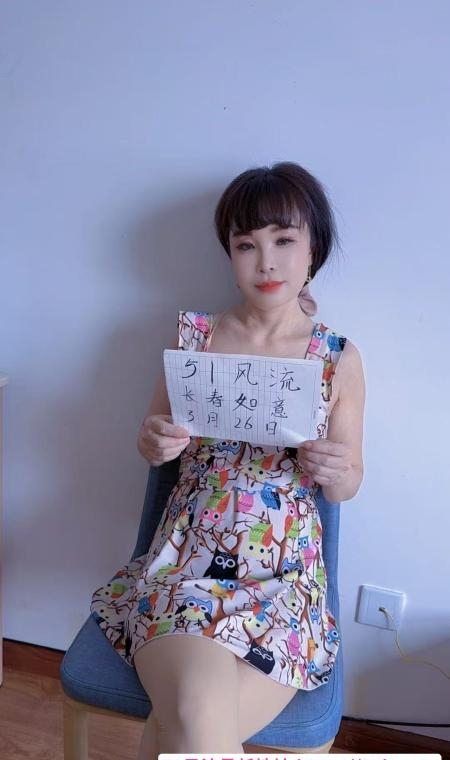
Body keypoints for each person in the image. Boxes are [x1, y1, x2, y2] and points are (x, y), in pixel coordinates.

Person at [91, 161, 365, 758]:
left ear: (313, 248)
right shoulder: (195, 341)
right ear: (230, 254)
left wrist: (338, 470)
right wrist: (156, 441)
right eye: (246, 245)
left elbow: (348, 484)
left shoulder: (337, 358)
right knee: (193, 709)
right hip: (187, 565)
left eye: (284, 240)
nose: (266, 262)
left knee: (181, 727)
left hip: (285, 582)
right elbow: (150, 441)